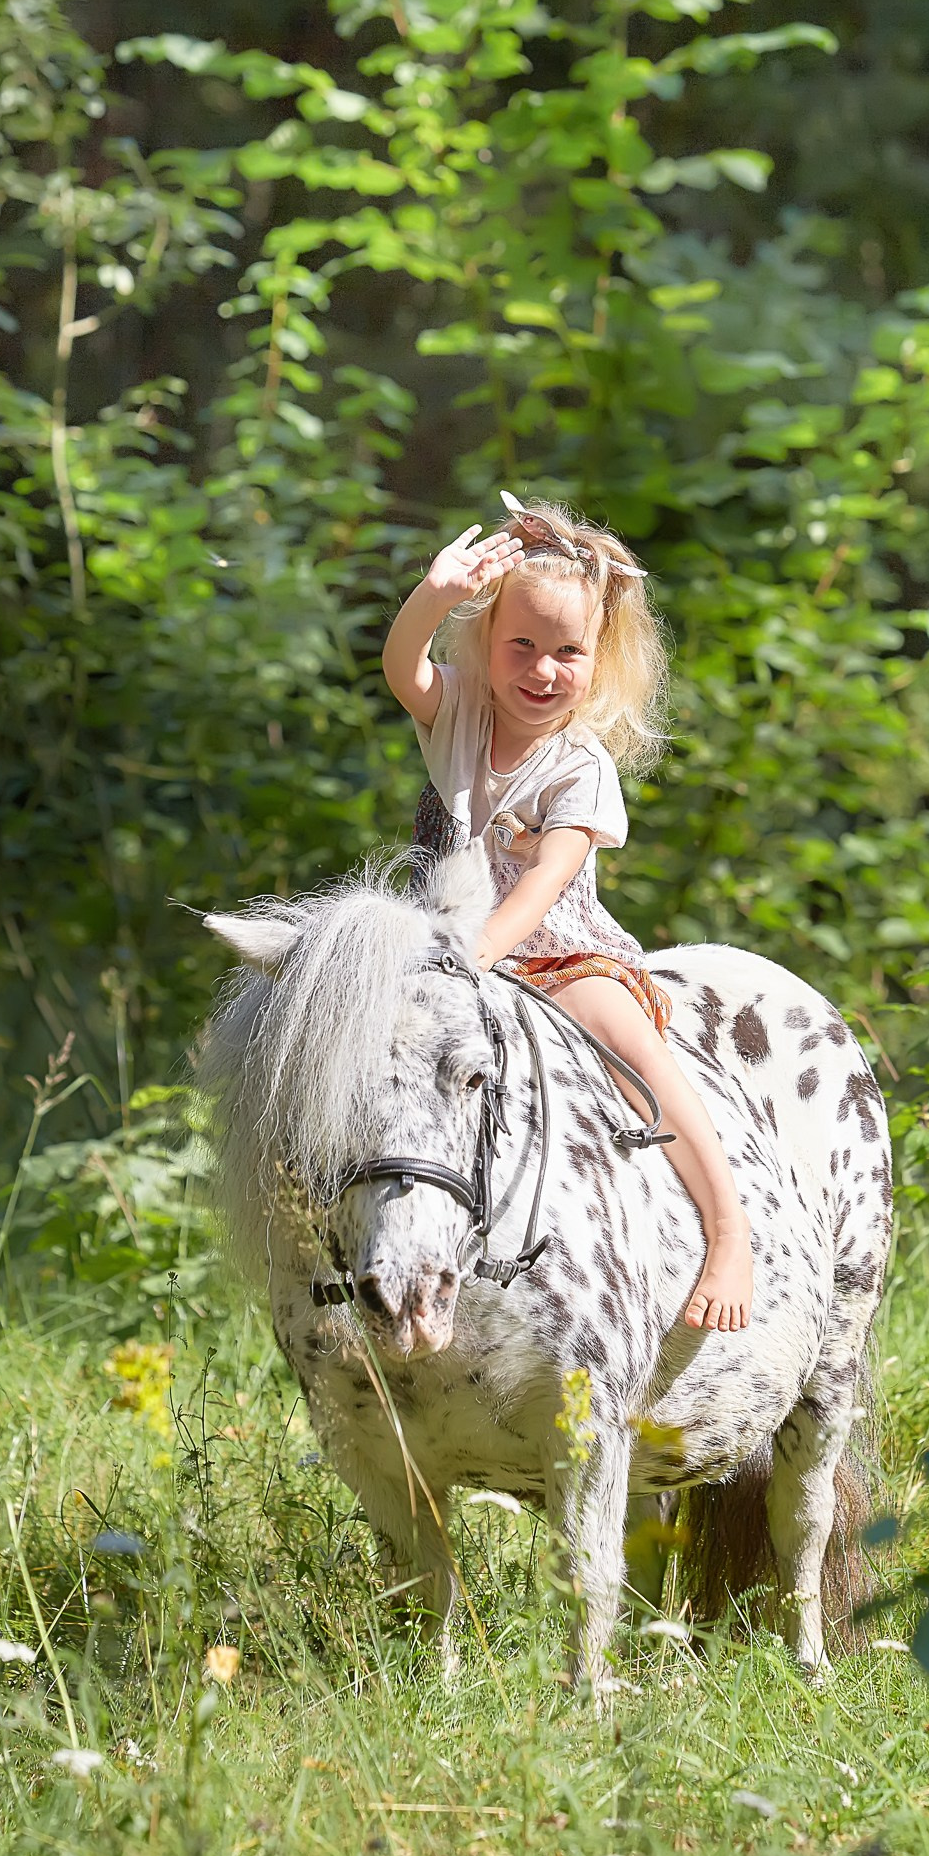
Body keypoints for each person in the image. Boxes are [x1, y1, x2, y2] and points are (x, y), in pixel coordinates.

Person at [382, 495, 753, 1331]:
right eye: (522, 645)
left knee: (628, 1041)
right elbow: (400, 666)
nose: (542, 670)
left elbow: (543, 887)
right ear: (485, 642)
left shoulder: (580, 766)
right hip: (443, 936)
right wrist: (434, 595)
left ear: (598, 661)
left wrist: (471, 956)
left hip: (551, 951)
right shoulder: (462, 711)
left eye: (568, 652)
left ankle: (728, 1228)